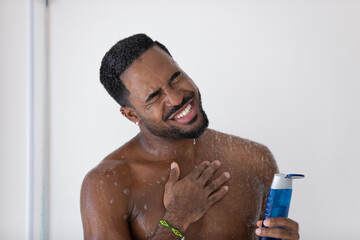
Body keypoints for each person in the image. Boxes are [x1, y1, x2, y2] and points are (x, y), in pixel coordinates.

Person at [80, 33, 300, 240]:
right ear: (131, 114)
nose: (176, 98)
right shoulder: (107, 183)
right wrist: (176, 219)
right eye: (154, 96)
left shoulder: (254, 158)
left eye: (176, 77)